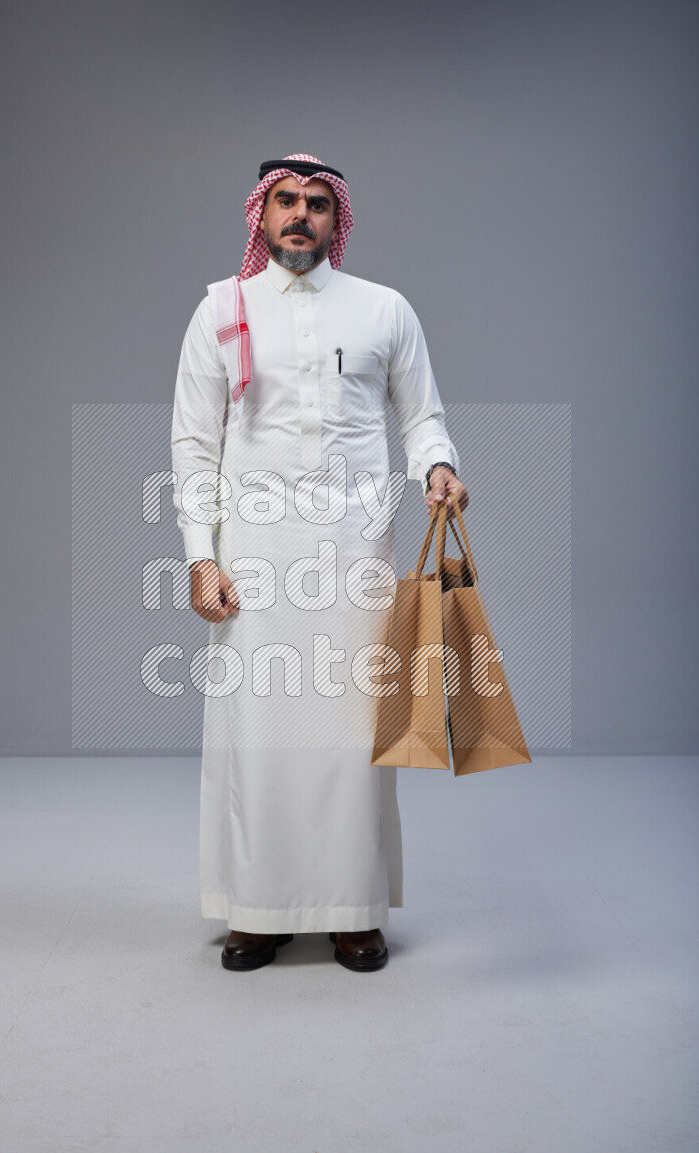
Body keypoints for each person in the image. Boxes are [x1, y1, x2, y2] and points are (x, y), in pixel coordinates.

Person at [171, 154, 469, 972]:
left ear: (337, 220)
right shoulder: (220, 311)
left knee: (352, 737)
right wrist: (202, 556)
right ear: (259, 217)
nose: (299, 215)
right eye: (284, 202)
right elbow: (194, 445)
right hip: (255, 557)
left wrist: (438, 468)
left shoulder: (384, 310)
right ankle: (257, 911)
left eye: (315, 205)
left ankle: (353, 910)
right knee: (257, 735)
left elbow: (423, 419)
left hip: (355, 553)